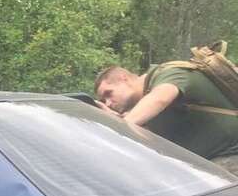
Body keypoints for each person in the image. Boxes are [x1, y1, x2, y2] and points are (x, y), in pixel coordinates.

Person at [94, 63, 238, 175]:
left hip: (230, 156)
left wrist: (119, 126)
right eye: (103, 100)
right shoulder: (144, 109)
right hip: (207, 165)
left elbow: (160, 98)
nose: (108, 102)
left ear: (123, 78)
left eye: (108, 93)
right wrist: (113, 119)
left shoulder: (168, 72)